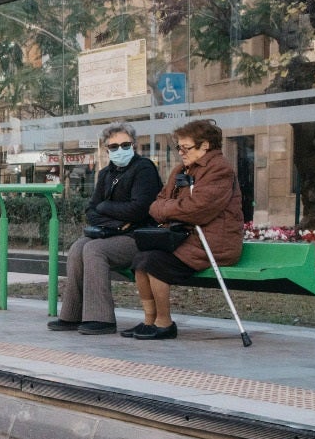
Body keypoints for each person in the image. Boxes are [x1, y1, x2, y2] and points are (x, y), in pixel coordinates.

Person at [127, 118, 244, 340]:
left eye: (185, 147)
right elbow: (156, 204)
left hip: (212, 243)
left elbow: (198, 210)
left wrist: (167, 209)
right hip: (186, 238)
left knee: (154, 263)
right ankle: (149, 320)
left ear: (206, 145)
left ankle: (165, 323)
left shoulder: (219, 170)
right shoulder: (182, 169)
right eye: (178, 147)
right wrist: (172, 208)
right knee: (140, 260)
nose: (181, 152)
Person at [47, 123, 161, 335]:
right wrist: (115, 221)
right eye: (114, 146)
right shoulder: (106, 173)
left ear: (134, 145)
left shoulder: (144, 168)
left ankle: (102, 318)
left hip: (139, 237)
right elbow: (91, 210)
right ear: (106, 149)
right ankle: (73, 315)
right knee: (77, 248)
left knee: (94, 250)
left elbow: (139, 209)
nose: (120, 150)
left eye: (125, 145)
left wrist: (106, 207)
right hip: (114, 233)